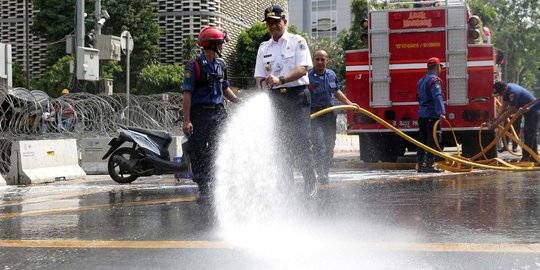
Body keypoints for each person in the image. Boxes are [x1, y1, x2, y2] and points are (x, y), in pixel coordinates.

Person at [254, 5, 318, 197]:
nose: (273, 26)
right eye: (269, 23)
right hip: (275, 100)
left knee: (300, 140)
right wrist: (261, 96)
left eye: (276, 22)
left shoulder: (297, 41)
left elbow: (303, 69)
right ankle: (287, 186)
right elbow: (259, 78)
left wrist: (280, 79)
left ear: (285, 21)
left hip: (297, 96)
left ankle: (310, 181)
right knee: (280, 144)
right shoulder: (264, 48)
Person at [182, 26, 240, 204]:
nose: (222, 47)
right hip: (199, 115)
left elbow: (224, 88)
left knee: (219, 149)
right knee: (198, 151)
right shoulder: (194, 65)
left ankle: (217, 185)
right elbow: (187, 94)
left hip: (218, 113)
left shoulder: (221, 65)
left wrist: (238, 100)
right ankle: (204, 188)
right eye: (220, 44)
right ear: (212, 45)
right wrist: (186, 120)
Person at [308, 49, 357, 184]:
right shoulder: (307, 77)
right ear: (313, 61)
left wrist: (349, 103)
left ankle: (325, 171)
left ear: (327, 61)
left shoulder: (331, 74)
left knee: (330, 145)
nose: (320, 62)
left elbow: (336, 91)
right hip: (315, 115)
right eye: (317, 59)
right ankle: (320, 172)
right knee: (319, 144)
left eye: (322, 59)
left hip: (330, 114)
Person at [488, 81, 539, 162]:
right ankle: (534, 157)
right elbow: (504, 106)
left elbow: (510, 111)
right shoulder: (505, 91)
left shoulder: (513, 92)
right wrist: (497, 117)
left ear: (504, 89)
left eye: (500, 94)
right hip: (525, 110)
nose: (500, 96)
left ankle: (526, 158)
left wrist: (496, 123)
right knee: (531, 134)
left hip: (533, 110)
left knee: (529, 134)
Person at [416, 57, 446, 173]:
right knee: (432, 140)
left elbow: (418, 97)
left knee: (422, 139)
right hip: (432, 115)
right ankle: (429, 164)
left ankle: (420, 164)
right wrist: (441, 112)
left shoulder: (421, 81)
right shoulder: (435, 81)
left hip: (422, 115)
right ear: (437, 67)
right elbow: (437, 96)